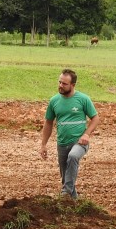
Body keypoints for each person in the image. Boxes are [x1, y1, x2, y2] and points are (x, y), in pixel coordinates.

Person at [39, 69, 100, 199]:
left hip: (79, 142)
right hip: (62, 143)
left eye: (64, 84)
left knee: (73, 156)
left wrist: (87, 134)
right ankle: (73, 203)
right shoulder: (54, 101)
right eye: (60, 82)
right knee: (66, 178)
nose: (60, 85)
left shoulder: (83, 99)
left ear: (73, 85)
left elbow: (95, 118)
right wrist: (43, 144)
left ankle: (65, 193)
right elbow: (48, 123)